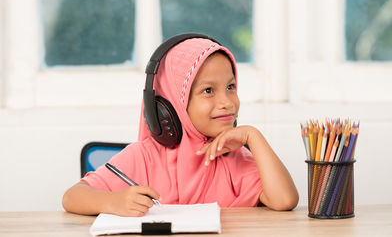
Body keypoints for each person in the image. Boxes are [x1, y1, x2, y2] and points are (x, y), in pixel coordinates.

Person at [62, 34, 298, 217]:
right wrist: (113, 202)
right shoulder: (143, 156)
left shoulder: (234, 157)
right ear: (173, 102)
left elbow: (285, 200)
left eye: (230, 87)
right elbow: (72, 197)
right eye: (208, 91)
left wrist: (253, 136)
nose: (227, 102)